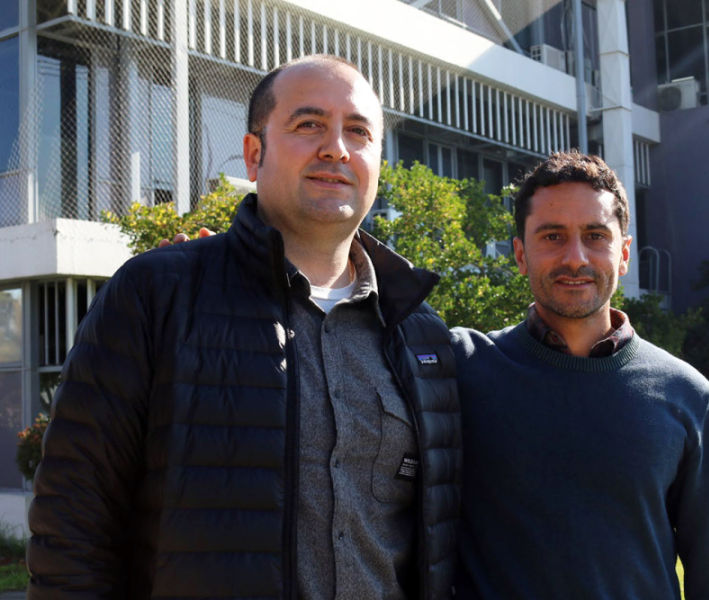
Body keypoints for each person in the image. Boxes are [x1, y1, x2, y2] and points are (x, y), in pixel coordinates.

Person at [26, 55, 461, 599]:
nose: (336, 148)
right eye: (309, 125)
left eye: (358, 131)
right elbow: (73, 524)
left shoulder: (420, 335)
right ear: (254, 154)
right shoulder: (158, 296)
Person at [451, 151, 709, 599]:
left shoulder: (685, 393)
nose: (575, 258)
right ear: (520, 254)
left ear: (624, 253)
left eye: (595, 236)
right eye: (552, 236)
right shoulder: (462, 367)